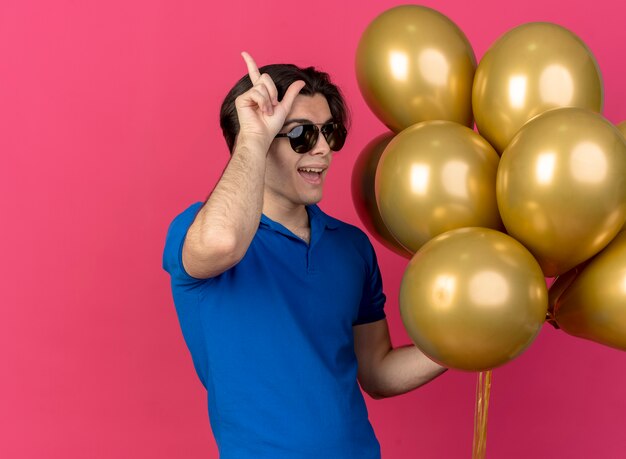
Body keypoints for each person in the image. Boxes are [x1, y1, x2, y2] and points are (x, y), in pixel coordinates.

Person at [163, 52, 446, 459]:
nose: (323, 151)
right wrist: (254, 140)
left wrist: (468, 339)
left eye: (328, 132)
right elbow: (223, 243)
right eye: (300, 135)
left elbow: (378, 372)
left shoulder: (351, 247)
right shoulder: (197, 230)